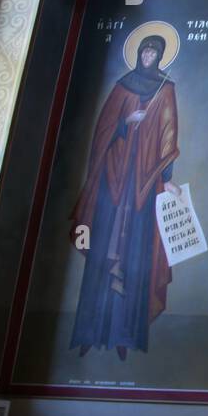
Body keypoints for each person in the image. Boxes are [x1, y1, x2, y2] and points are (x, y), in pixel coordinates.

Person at [69, 32, 179, 360]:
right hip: (113, 181)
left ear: (159, 57)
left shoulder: (166, 89)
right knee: (103, 252)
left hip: (142, 188)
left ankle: (123, 335)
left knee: (135, 256)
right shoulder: (122, 85)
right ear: (138, 53)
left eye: (153, 52)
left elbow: (168, 139)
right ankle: (91, 331)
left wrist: (166, 179)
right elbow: (102, 129)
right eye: (144, 50)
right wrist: (125, 124)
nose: (147, 56)